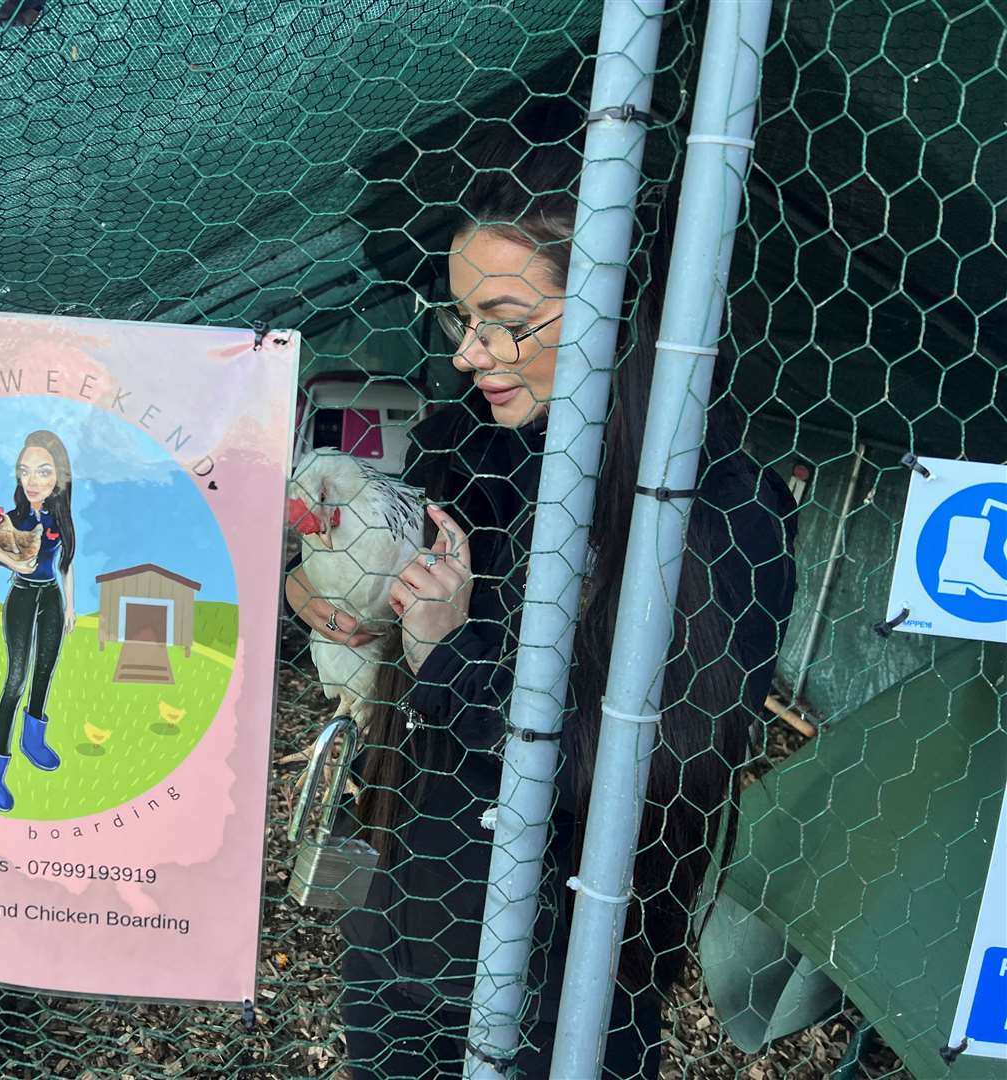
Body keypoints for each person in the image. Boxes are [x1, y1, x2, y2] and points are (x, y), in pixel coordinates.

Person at [284, 122, 797, 1078]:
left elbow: (660, 766)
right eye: (459, 319)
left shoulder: (720, 507)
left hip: (563, 968)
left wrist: (451, 657)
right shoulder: (466, 442)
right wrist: (314, 586)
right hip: (411, 925)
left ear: (615, 310)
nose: (473, 353)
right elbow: (377, 566)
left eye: (506, 319)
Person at [0, 429, 79, 812]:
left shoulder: (60, 516)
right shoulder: (15, 517)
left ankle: (33, 739)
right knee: (16, 679)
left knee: (45, 671)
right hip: (22, 597)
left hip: (51, 596)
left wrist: (70, 605)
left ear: (58, 477)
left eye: (42, 471)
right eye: (25, 471)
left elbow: (66, 562)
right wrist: (16, 562)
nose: (32, 480)